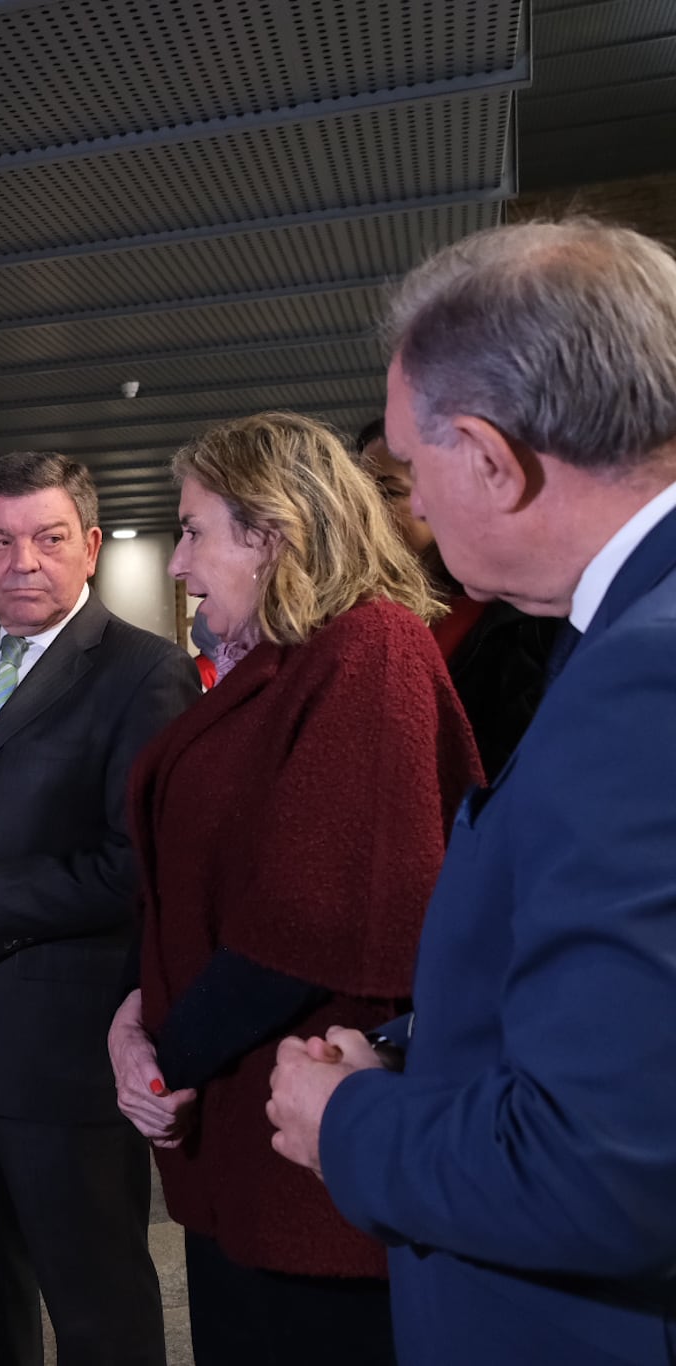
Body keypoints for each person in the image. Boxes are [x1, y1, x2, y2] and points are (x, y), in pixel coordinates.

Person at [268, 219, 676, 1365]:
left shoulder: (644, 674)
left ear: (493, 461)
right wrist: (415, 1046)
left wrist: (346, 1120)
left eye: (404, 471)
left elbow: (597, 1170)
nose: (406, 510)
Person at [108, 412, 481, 1366]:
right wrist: (136, 1014)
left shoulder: (374, 650)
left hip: (308, 1149)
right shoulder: (289, 661)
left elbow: (317, 916)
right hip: (246, 1118)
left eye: (193, 531)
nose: (181, 566)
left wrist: (163, 1052)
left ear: (273, 532)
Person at [0, 451, 201, 1366]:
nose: (24, 561)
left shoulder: (146, 675)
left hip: (63, 1050)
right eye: (0, 540)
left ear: (89, 546)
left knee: (96, 1304)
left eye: (50, 539)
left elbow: (140, 868)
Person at [356, 416, 559, 778]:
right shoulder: (361, 619)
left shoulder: (525, 617)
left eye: (388, 492)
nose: (365, 512)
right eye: (357, 495)